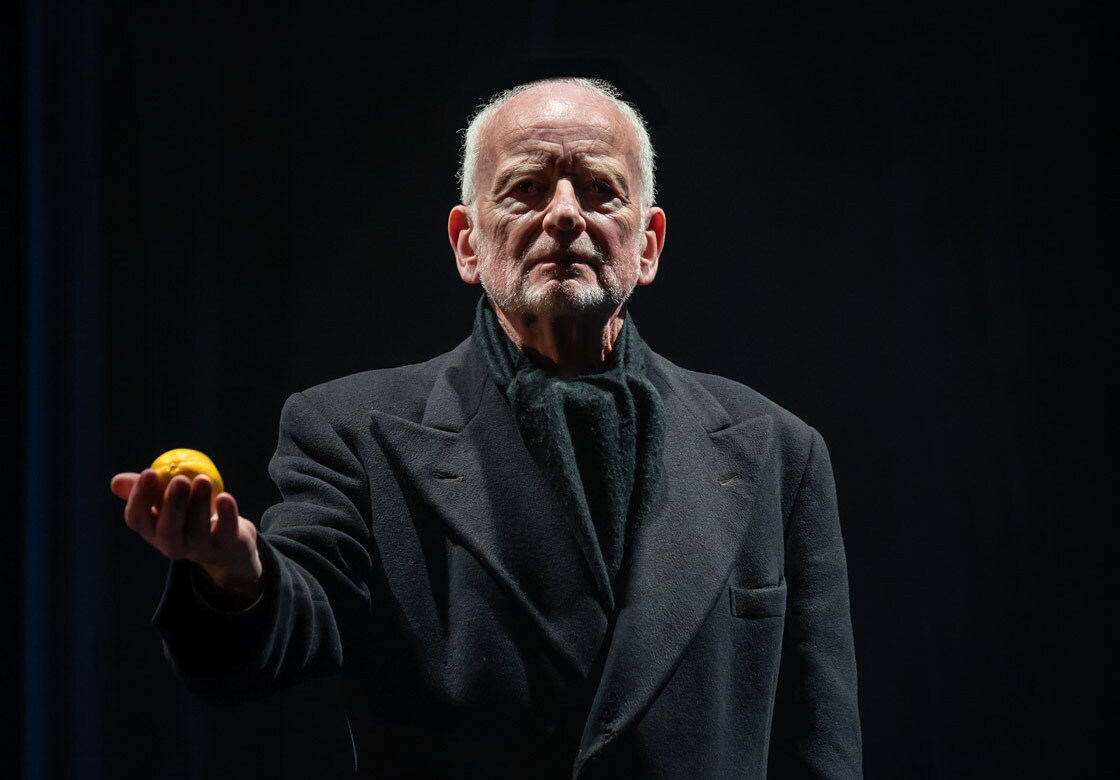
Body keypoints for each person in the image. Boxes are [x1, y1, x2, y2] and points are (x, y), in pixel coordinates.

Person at [112, 77, 862, 779]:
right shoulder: (352, 432)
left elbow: (819, 742)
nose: (565, 213)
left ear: (649, 245)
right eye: (526, 190)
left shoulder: (775, 451)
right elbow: (297, 617)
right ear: (468, 243)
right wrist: (236, 574)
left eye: (600, 191)